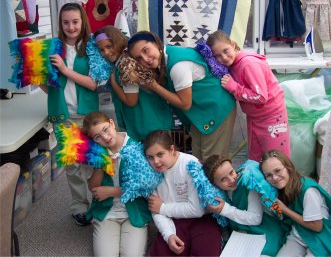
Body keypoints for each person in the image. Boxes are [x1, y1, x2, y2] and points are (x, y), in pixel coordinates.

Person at [128, 31, 236, 161]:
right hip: (202, 113)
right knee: (197, 160)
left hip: (217, 109)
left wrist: (155, 86)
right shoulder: (165, 59)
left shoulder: (178, 66)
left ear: (156, 44)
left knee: (212, 162)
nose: (145, 59)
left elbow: (185, 103)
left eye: (146, 50)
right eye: (138, 58)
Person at [39, 3, 98, 226]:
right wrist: (39, 78)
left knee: (93, 161)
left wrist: (65, 70)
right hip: (63, 115)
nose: (71, 27)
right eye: (66, 22)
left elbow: (93, 84)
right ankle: (79, 206)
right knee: (72, 164)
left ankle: (99, 202)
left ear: (82, 21)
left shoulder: (91, 47)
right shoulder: (53, 49)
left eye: (75, 21)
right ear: (60, 24)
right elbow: (50, 88)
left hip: (88, 115)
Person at [207, 30, 290, 162]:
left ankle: (286, 183)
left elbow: (261, 97)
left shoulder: (248, 64)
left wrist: (234, 87)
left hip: (272, 117)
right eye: (217, 56)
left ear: (233, 45)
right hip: (255, 117)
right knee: (255, 160)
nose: (224, 57)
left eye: (226, 50)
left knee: (277, 161)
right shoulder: (232, 65)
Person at [143, 130, 222, 256]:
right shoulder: (148, 172)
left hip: (202, 220)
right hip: (174, 221)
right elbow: (155, 209)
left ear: (172, 149)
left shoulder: (189, 164)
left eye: (160, 154)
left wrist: (163, 208)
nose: (156, 162)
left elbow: (197, 210)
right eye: (150, 157)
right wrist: (169, 235)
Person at [82, 111, 150, 256]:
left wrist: (111, 191)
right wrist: (101, 165)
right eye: (97, 137)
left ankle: (141, 235)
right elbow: (93, 188)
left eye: (106, 129)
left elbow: (144, 188)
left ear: (112, 123)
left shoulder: (136, 148)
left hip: (134, 211)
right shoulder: (96, 153)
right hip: (107, 213)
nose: (105, 138)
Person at [260, 150, 331, 256]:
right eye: (269, 175)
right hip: (298, 234)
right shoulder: (280, 188)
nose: (274, 177)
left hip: (319, 237)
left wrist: (285, 210)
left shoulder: (308, 191)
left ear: (288, 167)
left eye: (278, 170)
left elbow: (317, 226)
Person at [93, 26, 173, 141]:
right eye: (101, 49)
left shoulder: (126, 65)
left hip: (149, 127)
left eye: (109, 46)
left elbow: (131, 101)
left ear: (118, 41)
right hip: (149, 125)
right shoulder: (122, 62)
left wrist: (114, 83)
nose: (106, 52)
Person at [203, 155, 286, 256]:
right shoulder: (220, 194)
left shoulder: (247, 183)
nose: (231, 180)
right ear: (214, 184)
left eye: (231, 172)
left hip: (265, 230)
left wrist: (225, 209)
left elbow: (256, 219)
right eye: (223, 179)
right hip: (244, 234)